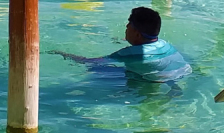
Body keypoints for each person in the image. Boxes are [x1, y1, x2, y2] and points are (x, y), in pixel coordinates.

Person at [53, 7, 191, 82]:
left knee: (94, 71)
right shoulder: (164, 44)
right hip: (182, 74)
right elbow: (144, 44)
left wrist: (61, 53)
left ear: (137, 34)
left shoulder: (128, 53)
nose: (126, 26)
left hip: (153, 81)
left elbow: (92, 61)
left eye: (129, 25)